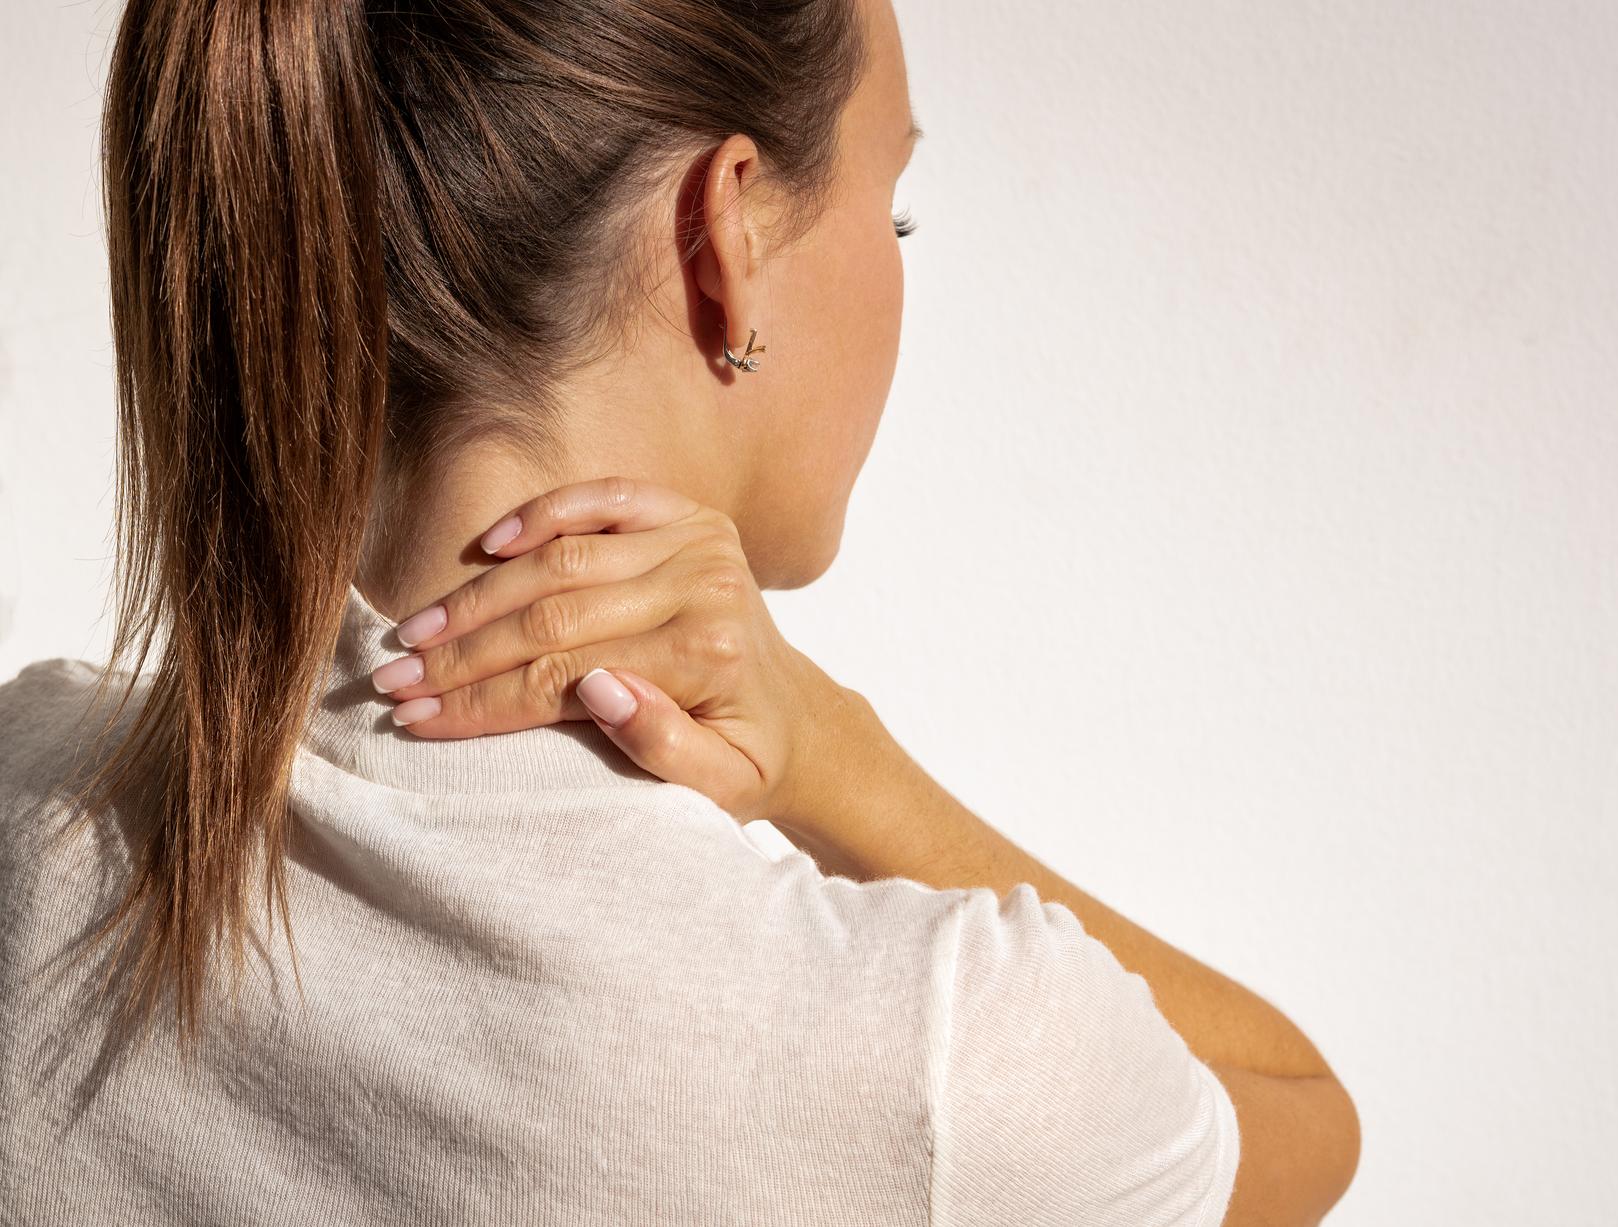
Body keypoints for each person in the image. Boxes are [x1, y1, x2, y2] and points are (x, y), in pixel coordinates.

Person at [0, 0, 1359, 1222]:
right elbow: (1305, 1113)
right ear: (730, 237)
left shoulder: (31, 798)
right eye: (893, 212)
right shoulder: (941, 1058)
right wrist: (839, 760)